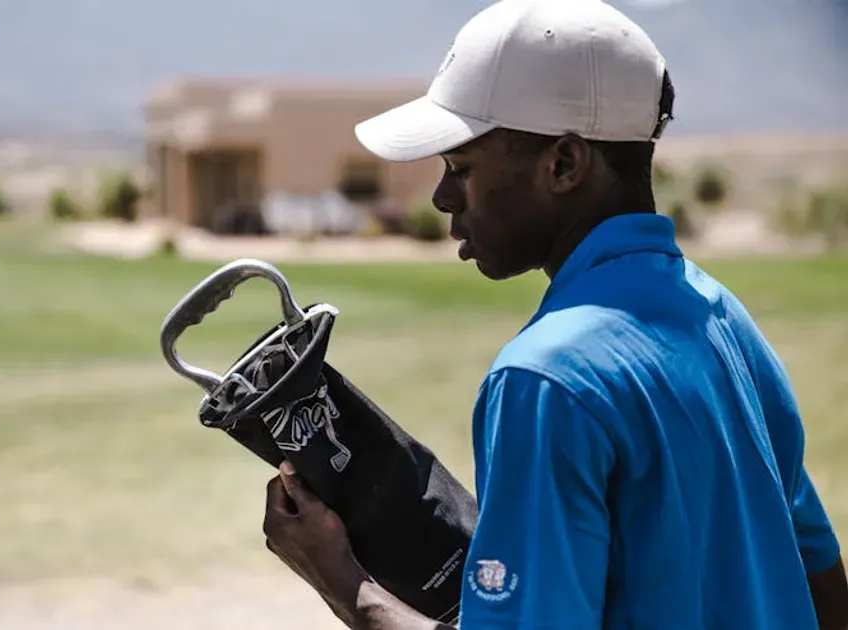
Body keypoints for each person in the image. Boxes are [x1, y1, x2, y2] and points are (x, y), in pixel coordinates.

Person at [259, 0, 848, 628]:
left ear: (563, 163)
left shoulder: (545, 379)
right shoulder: (723, 319)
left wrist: (342, 580)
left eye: (461, 166)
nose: (440, 195)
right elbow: (822, 578)